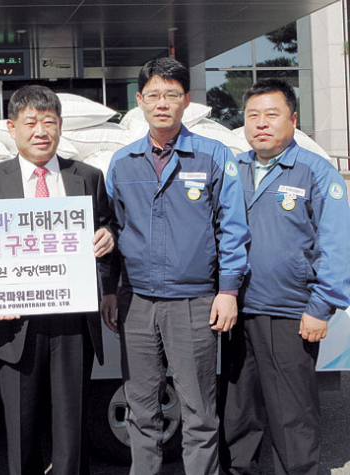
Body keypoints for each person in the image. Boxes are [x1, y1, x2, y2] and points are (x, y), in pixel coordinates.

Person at [100, 57, 250, 475]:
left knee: (199, 414)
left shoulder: (213, 156)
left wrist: (228, 290)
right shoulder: (123, 162)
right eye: (153, 95)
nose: (162, 103)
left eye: (171, 95)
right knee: (141, 410)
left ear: (186, 100)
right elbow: (110, 230)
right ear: (139, 101)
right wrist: (110, 289)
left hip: (195, 301)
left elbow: (233, 228)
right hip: (137, 302)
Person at [0, 85, 114, 475]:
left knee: (72, 428)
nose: (40, 131)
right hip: (12, 324)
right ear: (11, 127)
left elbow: (107, 227)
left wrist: (108, 237)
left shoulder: (87, 177)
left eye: (49, 122)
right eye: (30, 122)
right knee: (20, 428)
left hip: (72, 323)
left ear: (61, 126)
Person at [220, 79, 350, 475]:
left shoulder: (316, 172)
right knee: (238, 415)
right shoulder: (232, 169)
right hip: (235, 312)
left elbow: (338, 245)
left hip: (290, 313)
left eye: (271, 115)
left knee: (291, 416)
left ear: (293, 120)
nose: (261, 123)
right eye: (252, 115)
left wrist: (320, 307)